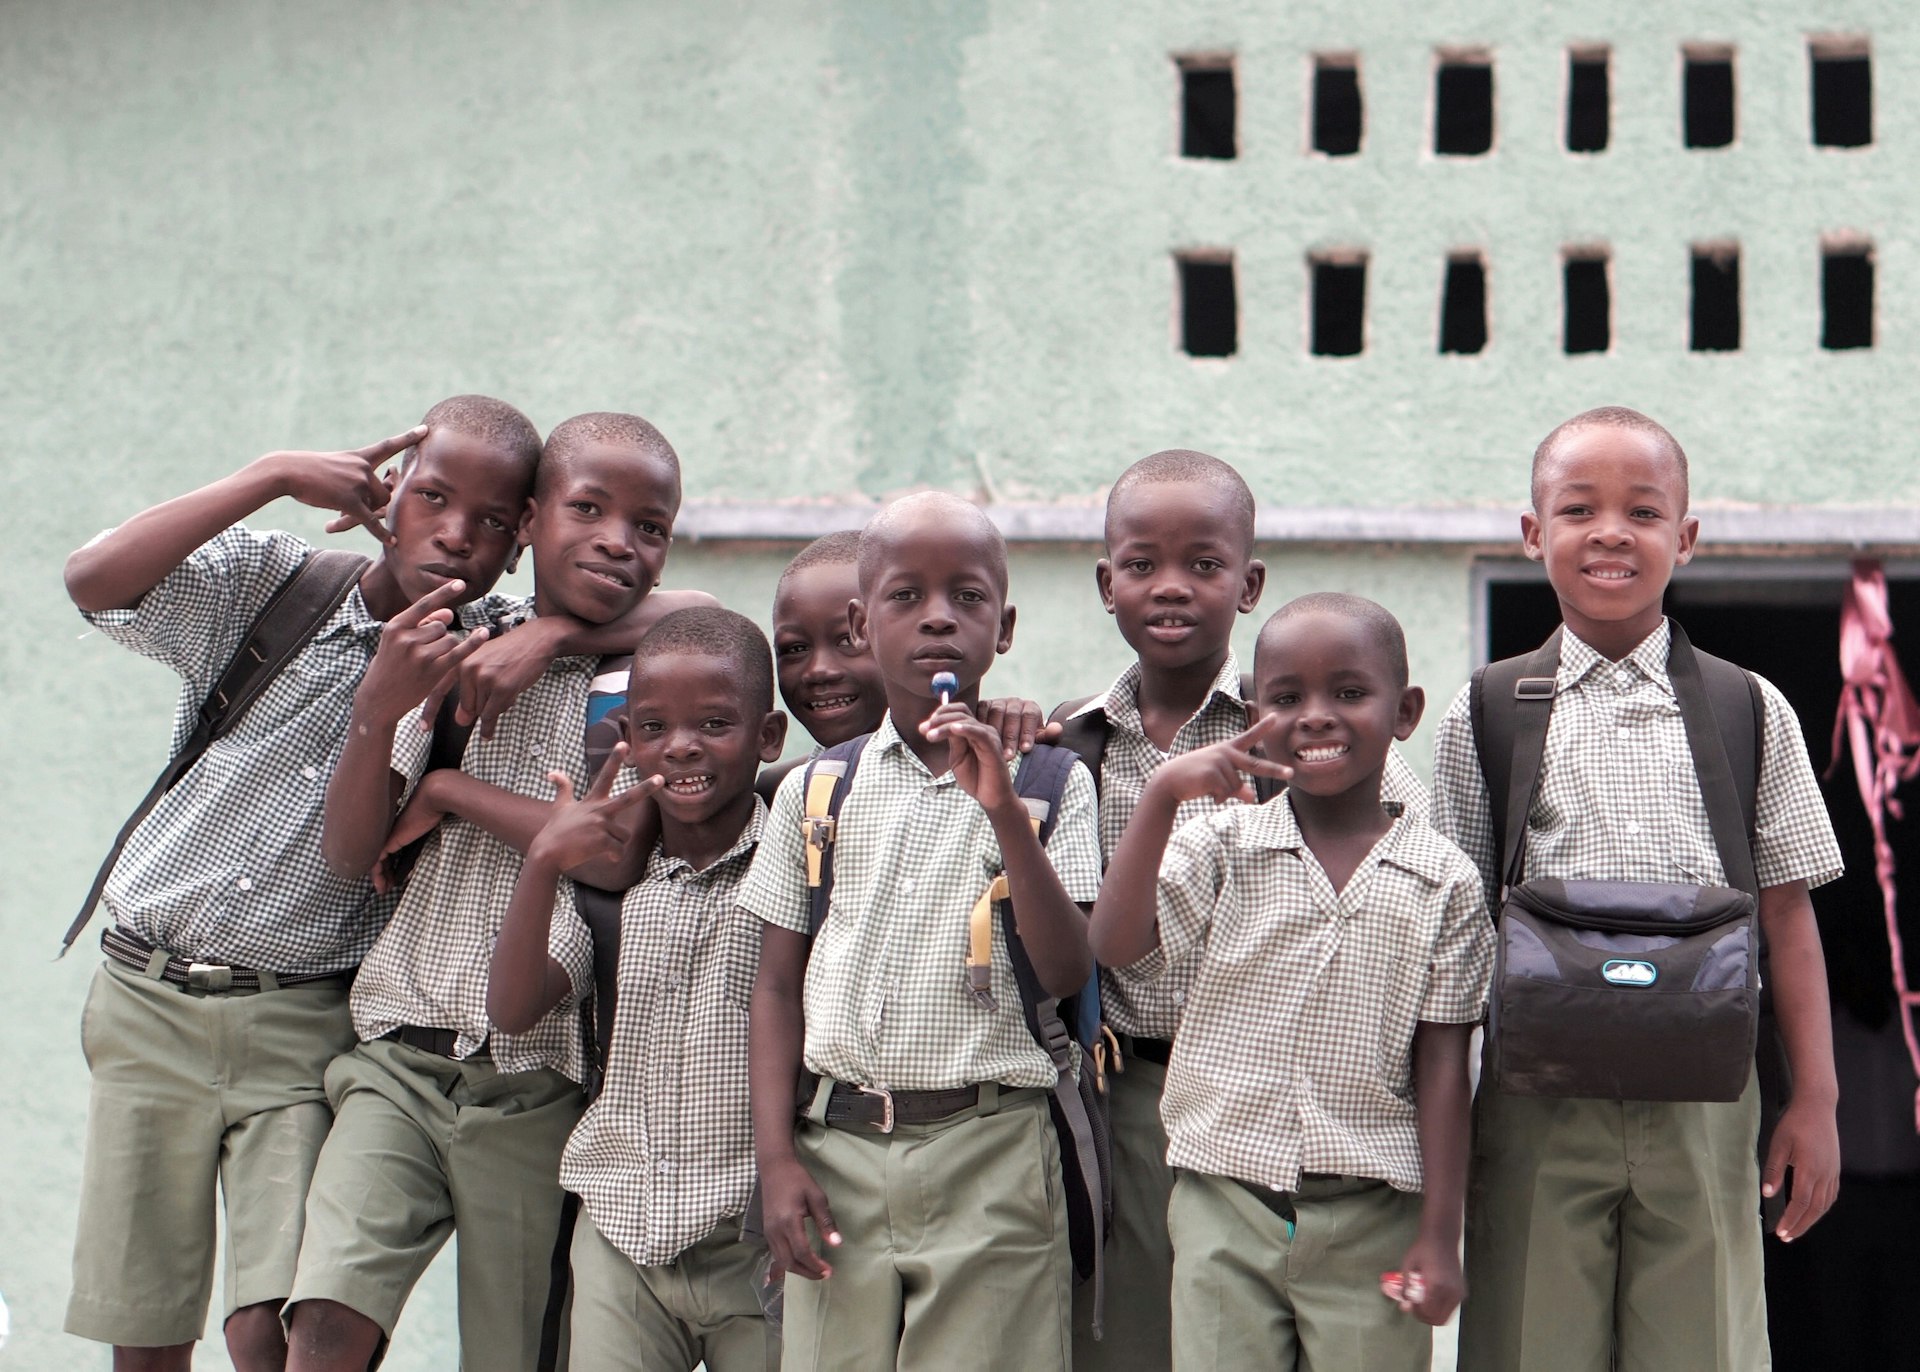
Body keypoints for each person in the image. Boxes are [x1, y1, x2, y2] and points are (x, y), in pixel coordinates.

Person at [61, 397, 542, 1372]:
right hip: (149, 997)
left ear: (521, 541)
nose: (457, 533)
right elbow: (93, 582)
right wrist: (269, 473)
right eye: (435, 496)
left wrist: (547, 632)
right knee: (146, 1325)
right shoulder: (275, 586)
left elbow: (651, 607)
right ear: (383, 496)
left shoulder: (493, 645)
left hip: (303, 1020)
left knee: (273, 1328)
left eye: (494, 520)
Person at [1431, 405, 1845, 1372]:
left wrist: (1816, 1098)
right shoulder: (1488, 709)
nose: (1611, 532)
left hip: (1707, 1103)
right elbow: (1450, 931)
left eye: (1643, 511)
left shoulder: (1748, 707)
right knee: (1530, 1344)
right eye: (1578, 509)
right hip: (1534, 1101)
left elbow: (1787, 911)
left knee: (1704, 1345)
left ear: (1686, 539)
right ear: (1533, 535)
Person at [284, 411, 686, 1372]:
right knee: (323, 1323)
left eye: (649, 527)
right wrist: (378, 723)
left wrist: (452, 788)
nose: (615, 541)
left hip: (541, 1083)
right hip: (397, 1052)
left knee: (513, 1353)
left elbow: (612, 854)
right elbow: (352, 853)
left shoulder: (657, 676)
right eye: (586, 509)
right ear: (528, 524)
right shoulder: (449, 649)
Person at [1054, 449, 1427, 1367]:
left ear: (1249, 583)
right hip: (1129, 1098)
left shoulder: (1311, 727)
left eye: (1205, 566)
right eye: (1143, 566)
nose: (1172, 589)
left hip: (1284, 1099)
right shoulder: (1073, 746)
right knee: (1140, 1341)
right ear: (1107, 585)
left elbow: (1410, 860)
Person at [740, 491, 1103, 1372]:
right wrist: (777, 1158)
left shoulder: (1054, 783)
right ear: (864, 625)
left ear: (1004, 626)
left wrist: (1008, 817)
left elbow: (1064, 970)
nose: (939, 617)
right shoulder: (816, 790)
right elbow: (777, 986)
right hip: (839, 1153)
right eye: (907, 597)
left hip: (994, 1152)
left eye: (968, 598)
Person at [1089, 593, 1493, 1371]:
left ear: (1405, 711)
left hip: (1373, 1209)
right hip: (1222, 1200)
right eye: (1286, 698)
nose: (1315, 717)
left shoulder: (1443, 880)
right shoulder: (1218, 845)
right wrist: (1161, 795)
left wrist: (1441, 1235)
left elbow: (1444, 1066)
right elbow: (1111, 944)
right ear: (1253, 712)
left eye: (1349, 693)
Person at [490, 607, 787, 1371]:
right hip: (621, 1230)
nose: (681, 746)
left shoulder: (796, 874)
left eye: (715, 723)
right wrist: (544, 863)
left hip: (752, 1237)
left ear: (769, 737)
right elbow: (514, 1010)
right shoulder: (609, 894)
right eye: (653, 727)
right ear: (629, 744)